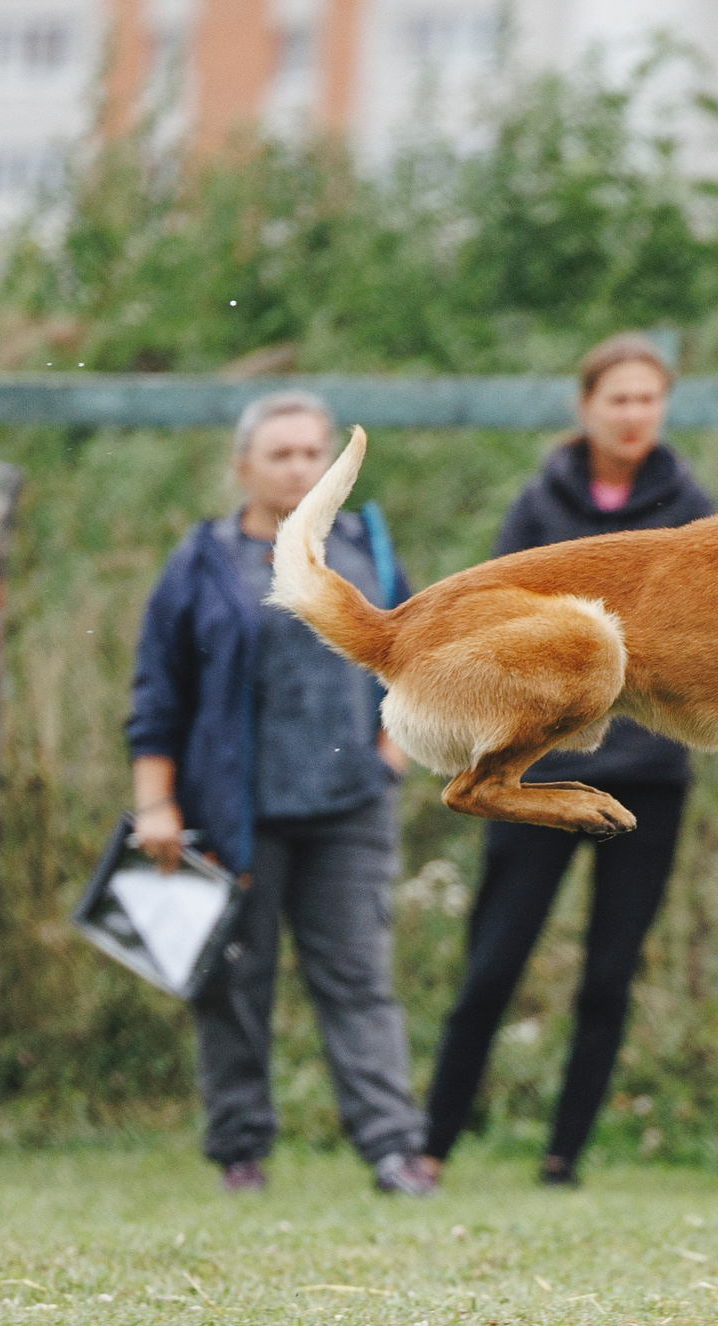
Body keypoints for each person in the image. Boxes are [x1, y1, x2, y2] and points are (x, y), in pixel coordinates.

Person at [419, 334, 716, 1188]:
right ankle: (431, 1147)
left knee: (607, 977)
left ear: (662, 407)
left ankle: (562, 1159)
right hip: (537, 774)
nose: (633, 413)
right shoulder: (539, 507)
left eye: (647, 398)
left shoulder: (690, 507)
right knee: (492, 964)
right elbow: (492, 620)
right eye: (617, 398)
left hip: (647, 780)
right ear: (585, 406)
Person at [125, 390, 435, 1196]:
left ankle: (394, 1150)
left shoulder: (367, 546)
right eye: (281, 454)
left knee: (359, 981)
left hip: (349, 808)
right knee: (233, 982)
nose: (300, 467)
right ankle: (241, 1153)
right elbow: (158, 694)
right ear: (243, 466)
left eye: (311, 453)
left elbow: (418, 653)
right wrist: (156, 804)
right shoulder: (202, 563)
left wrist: (391, 754)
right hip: (235, 811)